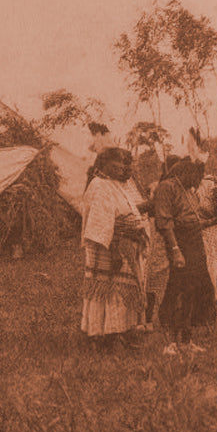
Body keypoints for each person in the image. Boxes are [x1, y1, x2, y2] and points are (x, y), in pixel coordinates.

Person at [79, 147, 150, 344]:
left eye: (123, 163)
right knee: (109, 290)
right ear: (104, 165)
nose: (122, 167)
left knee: (122, 289)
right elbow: (101, 223)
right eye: (117, 163)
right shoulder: (100, 185)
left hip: (123, 243)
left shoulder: (113, 184)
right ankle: (103, 335)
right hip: (109, 246)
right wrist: (114, 249)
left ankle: (121, 331)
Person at [151, 157, 214, 355]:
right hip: (180, 243)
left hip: (194, 242)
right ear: (186, 172)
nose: (198, 182)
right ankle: (170, 341)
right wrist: (176, 250)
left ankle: (186, 340)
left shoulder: (187, 190)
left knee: (193, 290)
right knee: (179, 289)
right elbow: (164, 222)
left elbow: (192, 217)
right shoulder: (167, 187)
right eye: (196, 176)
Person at [186, 129, 217, 345]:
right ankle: (196, 316)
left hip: (211, 236)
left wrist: (216, 213)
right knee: (197, 274)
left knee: (215, 272)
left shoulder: (210, 185)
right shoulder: (183, 188)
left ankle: (212, 316)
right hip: (193, 237)